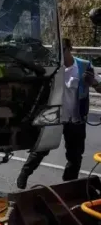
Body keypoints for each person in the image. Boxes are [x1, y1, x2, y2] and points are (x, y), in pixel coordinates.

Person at [17, 38, 101, 189]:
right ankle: (24, 174)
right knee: (41, 149)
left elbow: (99, 87)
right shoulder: (52, 66)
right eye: (57, 51)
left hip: (75, 119)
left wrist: (93, 82)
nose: (60, 55)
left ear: (70, 48)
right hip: (54, 117)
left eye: (63, 50)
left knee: (75, 156)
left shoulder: (83, 65)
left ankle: (68, 186)